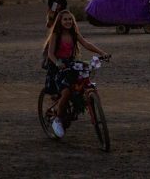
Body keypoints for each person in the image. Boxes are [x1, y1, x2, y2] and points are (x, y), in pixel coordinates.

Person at [43, 10, 110, 138]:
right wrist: (57, 63)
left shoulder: (74, 34)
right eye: (65, 19)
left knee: (82, 81)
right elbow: (50, 53)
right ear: (60, 21)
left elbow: (86, 44)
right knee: (66, 91)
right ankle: (57, 118)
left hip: (71, 64)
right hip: (58, 66)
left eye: (70, 19)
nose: (68, 21)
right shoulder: (56, 34)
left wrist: (102, 53)